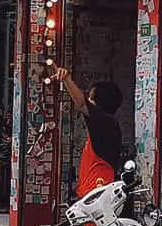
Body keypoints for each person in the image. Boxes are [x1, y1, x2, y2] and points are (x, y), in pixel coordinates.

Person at [53, 68, 124, 199]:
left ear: (100, 102)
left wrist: (67, 79)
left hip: (97, 198)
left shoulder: (105, 123)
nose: (88, 101)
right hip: (91, 196)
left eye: (91, 98)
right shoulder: (105, 126)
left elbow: (81, 104)